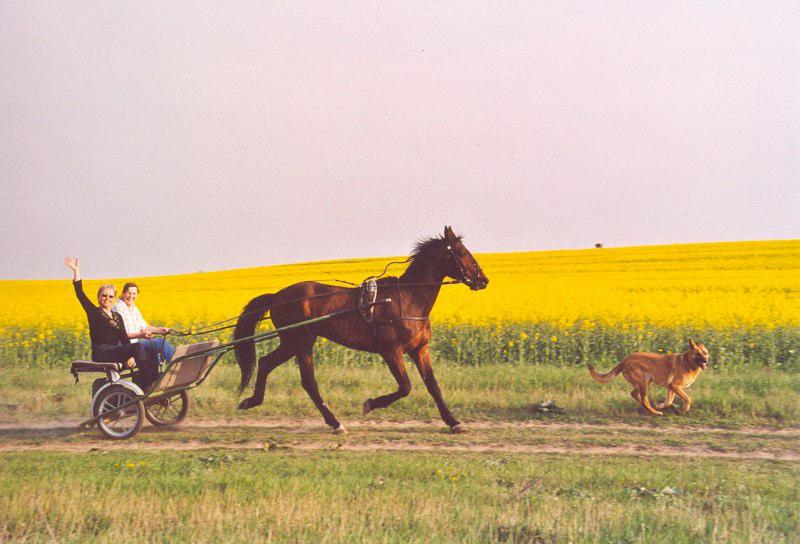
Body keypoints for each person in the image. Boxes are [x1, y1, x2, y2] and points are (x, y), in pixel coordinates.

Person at [64, 257, 159, 391]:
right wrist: (76, 270)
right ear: (98, 297)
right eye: (104, 295)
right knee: (137, 347)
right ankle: (148, 383)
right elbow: (80, 294)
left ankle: (151, 381)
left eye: (110, 296)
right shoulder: (94, 313)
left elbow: (124, 338)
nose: (107, 299)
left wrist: (129, 356)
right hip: (102, 352)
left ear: (114, 298)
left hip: (116, 351)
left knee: (152, 348)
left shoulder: (116, 316)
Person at [113, 282, 176, 364]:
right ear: (123, 293)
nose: (131, 296)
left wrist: (161, 330)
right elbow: (122, 334)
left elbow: (144, 327)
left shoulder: (133, 308)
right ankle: (179, 367)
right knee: (160, 343)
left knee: (161, 348)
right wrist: (141, 335)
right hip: (126, 346)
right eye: (129, 293)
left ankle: (158, 374)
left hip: (135, 344)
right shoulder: (118, 308)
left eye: (134, 293)